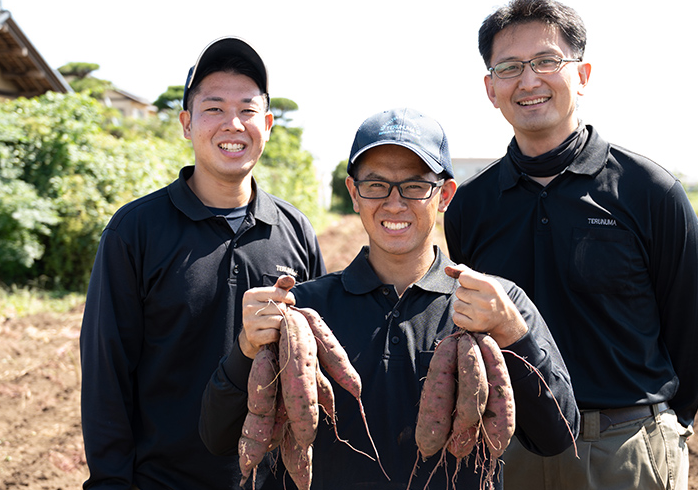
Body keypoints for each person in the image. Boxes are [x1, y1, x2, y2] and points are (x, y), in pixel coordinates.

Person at [199, 107, 580, 489]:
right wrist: (246, 348)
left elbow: (556, 436)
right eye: (376, 185)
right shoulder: (303, 310)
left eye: (415, 186)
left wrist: (512, 331)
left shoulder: (496, 304)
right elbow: (217, 437)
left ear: (444, 194)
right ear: (354, 193)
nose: (394, 204)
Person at [444, 0, 698, 489]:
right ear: (490, 87)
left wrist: (669, 427)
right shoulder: (471, 207)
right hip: (514, 449)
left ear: (582, 75)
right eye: (509, 67)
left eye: (547, 61)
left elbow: (690, 322)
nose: (529, 81)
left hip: (626, 449)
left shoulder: (649, 191)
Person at [79, 36, 327, 490]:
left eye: (248, 110)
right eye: (214, 108)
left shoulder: (295, 231)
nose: (233, 124)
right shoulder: (135, 231)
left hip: (271, 480)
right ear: (186, 123)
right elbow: (105, 376)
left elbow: (313, 371)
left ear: (268, 124)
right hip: (161, 481)